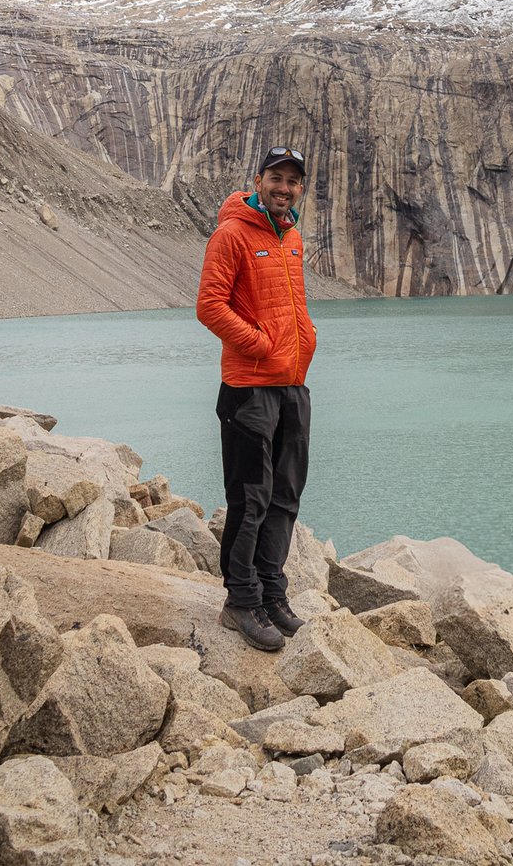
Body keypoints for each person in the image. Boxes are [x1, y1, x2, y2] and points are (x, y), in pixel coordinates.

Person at [195, 144, 317, 652]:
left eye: (293, 180)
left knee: (286, 494)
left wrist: (305, 339)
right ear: (258, 179)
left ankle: (272, 591)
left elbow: (294, 304)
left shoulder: (292, 239)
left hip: (292, 384)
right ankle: (240, 601)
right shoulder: (231, 234)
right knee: (250, 497)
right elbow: (209, 305)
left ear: (299, 188)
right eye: (276, 177)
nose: (284, 187)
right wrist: (261, 344)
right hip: (248, 389)